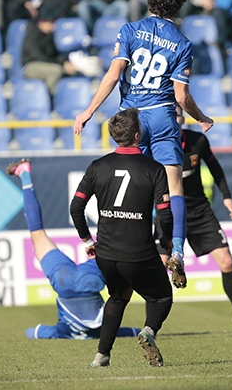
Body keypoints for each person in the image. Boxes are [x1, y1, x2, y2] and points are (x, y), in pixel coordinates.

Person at [73, 0, 214, 289]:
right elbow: (181, 96)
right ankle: (177, 249)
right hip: (163, 117)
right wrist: (202, 118)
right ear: (179, 5)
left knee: (137, 190)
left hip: (132, 119)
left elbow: (113, 76)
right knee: (173, 188)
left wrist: (88, 110)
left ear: (149, 0)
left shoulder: (130, 30)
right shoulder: (182, 43)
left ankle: (129, 253)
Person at [70, 108, 174, 367]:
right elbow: (164, 214)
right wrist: (166, 242)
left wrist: (87, 241)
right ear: (137, 135)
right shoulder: (154, 169)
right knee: (161, 297)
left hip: (106, 254)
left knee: (118, 298)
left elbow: (76, 207)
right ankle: (148, 331)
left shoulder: (97, 166)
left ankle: (101, 356)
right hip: (139, 253)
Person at [6, 157, 140, 340]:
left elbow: (132, 331)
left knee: (112, 244)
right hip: (64, 282)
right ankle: (24, 174)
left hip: (91, 281)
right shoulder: (62, 332)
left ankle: (124, 182)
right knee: (37, 233)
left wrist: (143, 331)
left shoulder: (104, 331)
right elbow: (32, 332)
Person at [158, 105, 232, 337]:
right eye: (171, 116)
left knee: (227, 261)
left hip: (199, 211)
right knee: (158, 268)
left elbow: (215, 168)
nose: (175, 119)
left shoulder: (197, 141)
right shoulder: (156, 145)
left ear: (183, 118)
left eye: (178, 115)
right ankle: (152, 330)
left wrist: (227, 196)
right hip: (169, 214)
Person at [21, 0, 78, 96]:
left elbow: (55, 54)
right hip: (31, 66)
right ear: (42, 22)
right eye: (50, 23)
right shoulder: (31, 35)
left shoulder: (49, 35)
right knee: (56, 71)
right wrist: (61, 66)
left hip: (47, 64)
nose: (53, 26)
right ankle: (48, 98)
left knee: (69, 71)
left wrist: (65, 62)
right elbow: (38, 56)